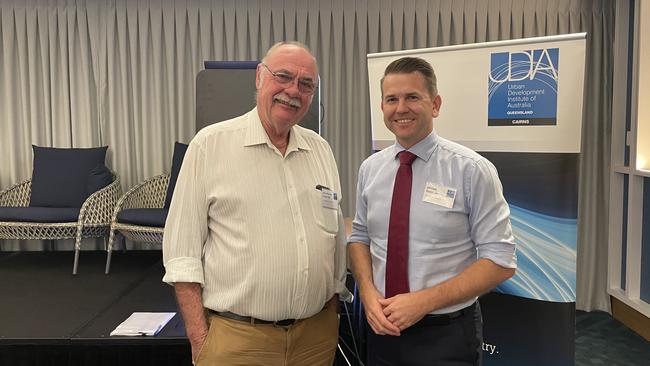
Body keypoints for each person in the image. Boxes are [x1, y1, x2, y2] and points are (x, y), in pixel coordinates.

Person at [163, 41, 351, 366]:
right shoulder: (210, 146)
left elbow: (332, 238)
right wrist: (200, 339)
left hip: (315, 338)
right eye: (283, 76)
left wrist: (330, 313)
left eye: (306, 84)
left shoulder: (321, 150)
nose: (293, 90)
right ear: (259, 78)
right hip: (239, 340)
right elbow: (182, 254)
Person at [348, 57, 517, 366]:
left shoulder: (472, 170)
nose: (401, 108)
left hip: (446, 334)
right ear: (382, 107)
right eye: (391, 99)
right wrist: (368, 293)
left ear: (435, 104)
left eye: (412, 97)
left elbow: (500, 261)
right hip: (382, 328)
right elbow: (359, 237)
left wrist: (423, 302)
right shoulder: (370, 169)